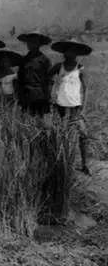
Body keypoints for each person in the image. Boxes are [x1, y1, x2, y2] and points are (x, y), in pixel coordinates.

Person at [49, 38, 92, 175]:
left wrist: (83, 109)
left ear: (77, 53)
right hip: (61, 106)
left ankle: (85, 164)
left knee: (83, 135)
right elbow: (48, 79)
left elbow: (85, 89)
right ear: (65, 52)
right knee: (62, 135)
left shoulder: (80, 68)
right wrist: (52, 95)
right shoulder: (58, 67)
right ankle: (63, 164)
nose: (71, 53)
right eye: (69, 50)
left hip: (75, 107)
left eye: (74, 51)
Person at [16, 31, 52, 116]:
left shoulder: (45, 60)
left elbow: (49, 81)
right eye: (29, 42)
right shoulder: (23, 60)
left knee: (40, 119)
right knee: (26, 119)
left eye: (34, 42)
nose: (31, 44)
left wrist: (48, 96)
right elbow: (20, 78)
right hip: (26, 94)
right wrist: (19, 95)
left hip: (40, 95)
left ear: (39, 44)